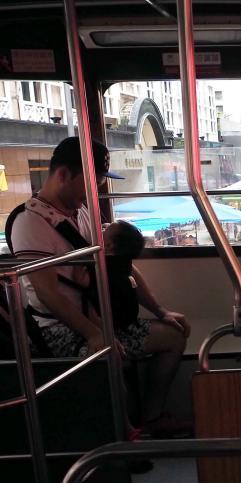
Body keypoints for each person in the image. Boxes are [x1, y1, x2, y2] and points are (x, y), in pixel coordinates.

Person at [7, 137, 189, 433]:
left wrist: (160, 310)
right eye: (92, 181)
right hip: (59, 328)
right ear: (64, 175)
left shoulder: (80, 212)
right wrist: (95, 332)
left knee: (176, 334)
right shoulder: (30, 223)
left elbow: (119, 268)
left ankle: (152, 417)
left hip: (101, 315)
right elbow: (48, 294)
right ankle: (123, 435)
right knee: (107, 353)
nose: (97, 190)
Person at [102, 221, 145, 330]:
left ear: (109, 246)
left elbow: (82, 279)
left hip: (111, 324)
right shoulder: (125, 264)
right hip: (127, 320)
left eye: (105, 230)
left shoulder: (106, 266)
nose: (102, 228)